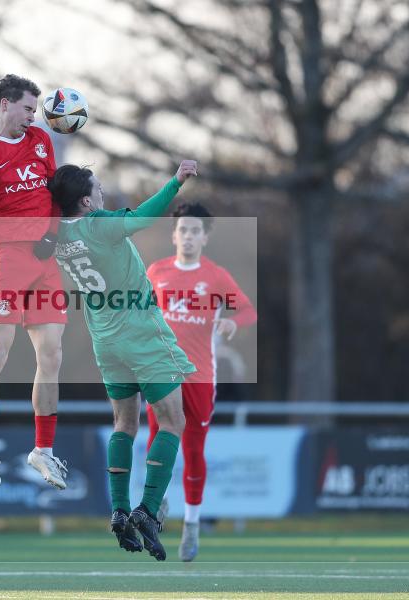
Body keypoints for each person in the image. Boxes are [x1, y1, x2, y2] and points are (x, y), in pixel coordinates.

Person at [48, 159, 198, 561]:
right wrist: (176, 182)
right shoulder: (98, 224)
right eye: (96, 188)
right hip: (141, 333)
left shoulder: (58, 234)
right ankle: (146, 510)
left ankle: (118, 509)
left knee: (124, 423)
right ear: (85, 201)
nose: (102, 193)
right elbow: (144, 217)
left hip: (105, 339)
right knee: (172, 421)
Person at [0, 74, 68, 490]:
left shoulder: (41, 141)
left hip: (43, 258)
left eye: (35, 110)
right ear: (5, 104)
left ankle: (43, 451)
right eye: (27, 108)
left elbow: (55, 195)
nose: (32, 117)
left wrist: (52, 234)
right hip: (5, 256)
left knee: (52, 354)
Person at [145, 202, 258, 561]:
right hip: (162, 373)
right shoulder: (157, 272)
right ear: (174, 235)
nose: (188, 236)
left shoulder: (216, 277)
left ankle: (192, 524)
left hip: (200, 377)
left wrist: (232, 322)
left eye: (196, 230)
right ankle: (157, 501)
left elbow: (248, 310)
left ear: (205, 237)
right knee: (157, 441)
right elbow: (140, 313)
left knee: (193, 451)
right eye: (183, 230)